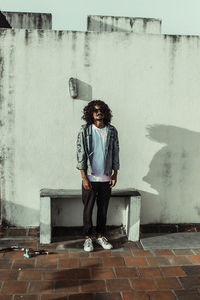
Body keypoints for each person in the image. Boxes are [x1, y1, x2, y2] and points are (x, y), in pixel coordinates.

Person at [76, 100, 120, 252]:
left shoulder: (112, 130)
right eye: (95, 110)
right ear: (90, 113)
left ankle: (100, 236)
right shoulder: (85, 130)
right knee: (88, 210)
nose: (98, 112)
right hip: (90, 178)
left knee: (103, 210)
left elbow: (115, 152)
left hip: (106, 178)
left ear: (105, 112)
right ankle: (88, 239)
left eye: (101, 109)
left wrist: (115, 174)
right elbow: (80, 154)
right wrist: (84, 178)